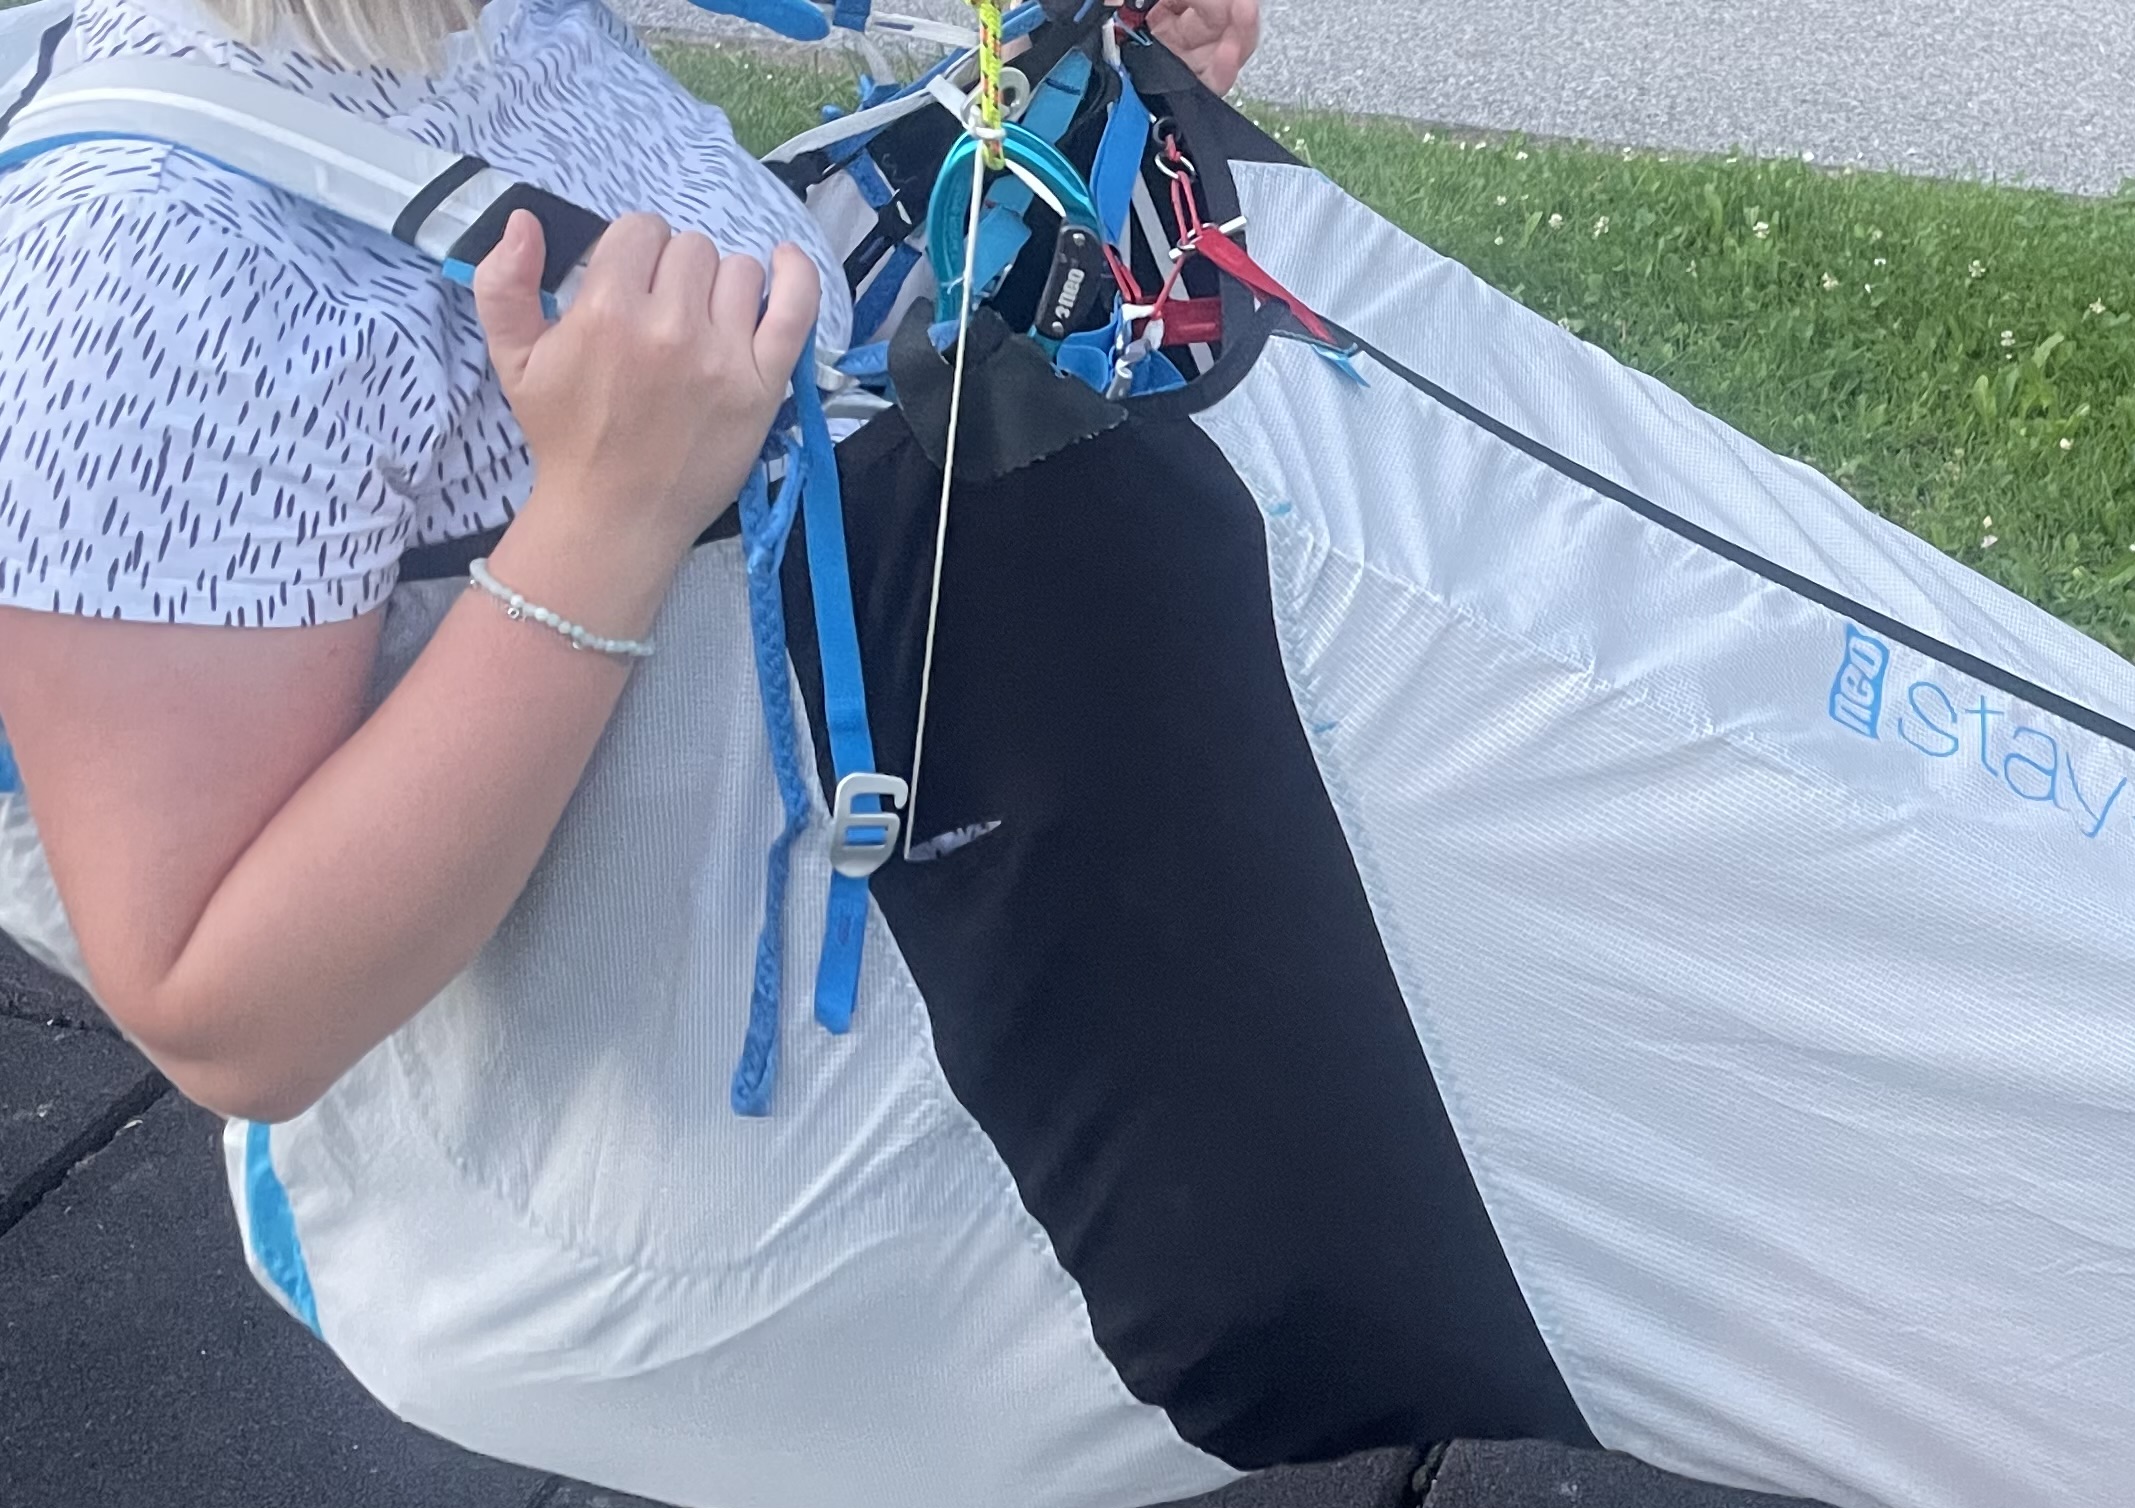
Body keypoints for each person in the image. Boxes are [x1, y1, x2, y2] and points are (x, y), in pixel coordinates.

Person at [0, 0, 1257, 1120]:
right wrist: (606, 516)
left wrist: (1064, 102)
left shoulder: (496, 23)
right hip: (680, 1159)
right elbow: (228, 1020)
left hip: (907, 975)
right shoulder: (139, 262)